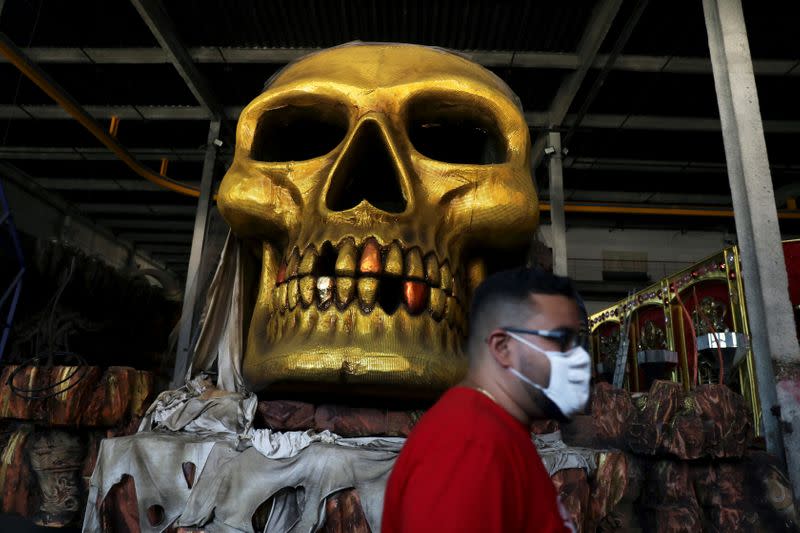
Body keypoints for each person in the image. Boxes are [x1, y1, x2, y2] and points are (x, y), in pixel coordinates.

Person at [382, 268, 590, 532]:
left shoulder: (497, 433)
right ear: (503, 348)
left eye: (579, 341)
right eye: (562, 340)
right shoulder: (469, 447)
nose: (578, 357)